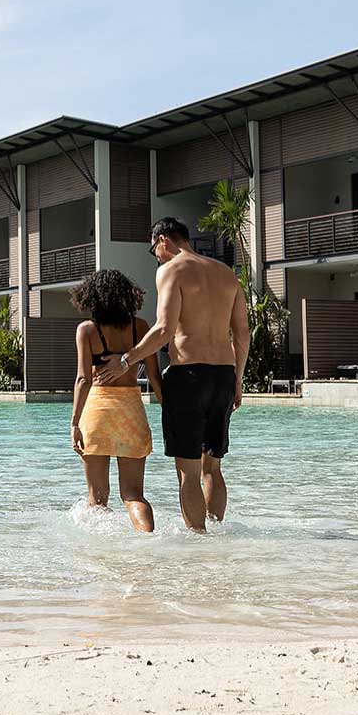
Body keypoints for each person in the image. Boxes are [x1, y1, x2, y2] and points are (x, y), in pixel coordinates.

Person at [95, 217, 249, 532]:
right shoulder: (226, 274)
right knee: (213, 468)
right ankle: (216, 536)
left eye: (155, 251)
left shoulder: (170, 270)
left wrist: (126, 360)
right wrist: (238, 379)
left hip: (189, 376)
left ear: (163, 239)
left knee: (188, 473)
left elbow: (164, 329)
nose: (157, 257)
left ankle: (197, 542)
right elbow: (242, 333)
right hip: (223, 375)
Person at [69, 268, 162, 532]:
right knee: (133, 495)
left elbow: (83, 380)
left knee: (97, 498)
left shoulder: (87, 330)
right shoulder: (140, 326)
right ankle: (147, 541)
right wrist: (168, 409)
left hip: (97, 413)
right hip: (131, 412)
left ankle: (103, 557)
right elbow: (154, 376)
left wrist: (74, 423)